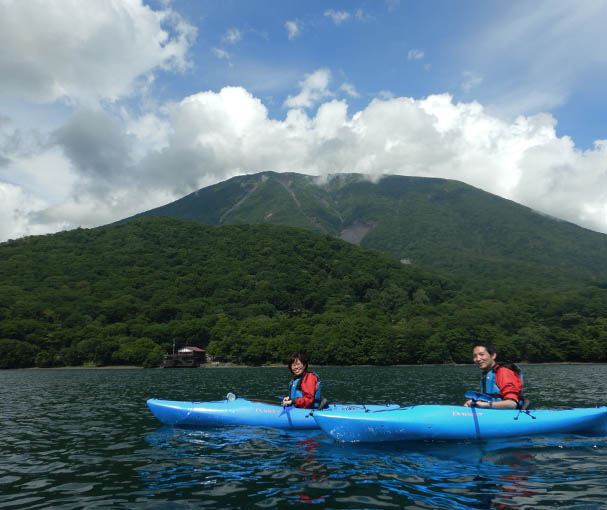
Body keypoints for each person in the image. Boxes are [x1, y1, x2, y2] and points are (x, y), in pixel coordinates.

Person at [464, 342, 524, 409]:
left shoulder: (504, 372)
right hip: (492, 411)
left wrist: (485, 404)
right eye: (475, 356)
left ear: (493, 356)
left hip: (508, 414)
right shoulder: (487, 373)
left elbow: (512, 403)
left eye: (481, 354)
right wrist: (474, 402)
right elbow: (489, 397)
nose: (478, 359)